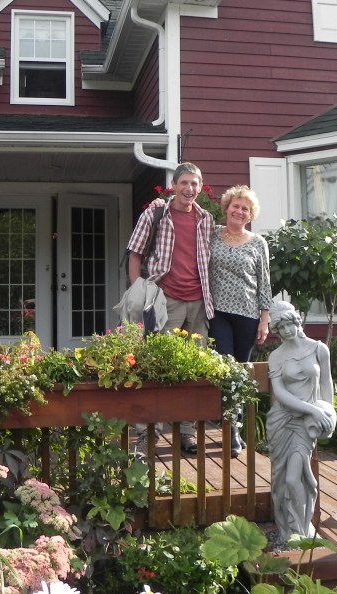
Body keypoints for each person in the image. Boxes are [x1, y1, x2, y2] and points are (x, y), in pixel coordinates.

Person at [126, 162, 214, 454]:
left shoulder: (206, 219)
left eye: (194, 183)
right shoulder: (155, 214)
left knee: (194, 369)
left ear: (200, 187)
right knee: (156, 366)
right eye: (184, 183)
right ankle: (147, 434)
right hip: (166, 300)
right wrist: (139, 291)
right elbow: (135, 254)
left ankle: (186, 432)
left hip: (199, 303)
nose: (189, 189)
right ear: (174, 186)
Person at [208, 185, 272, 456]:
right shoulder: (211, 234)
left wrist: (264, 319)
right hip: (218, 312)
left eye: (245, 208)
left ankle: (235, 424)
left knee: (241, 371)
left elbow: (264, 282)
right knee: (226, 368)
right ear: (227, 208)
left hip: (247, 314)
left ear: (250, 214)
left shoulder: (258, 243)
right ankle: (230, 429)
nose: (239, 211)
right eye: (235, 205)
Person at [266, 300, 336, 542]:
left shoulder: (319, 349)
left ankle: (302, 529)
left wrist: (328, 414)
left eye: (289, 324)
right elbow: (280, 394)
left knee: (293, 478)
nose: (287, 330)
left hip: (305, 424)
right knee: (281, 478)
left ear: (297, 322)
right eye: (280, 327)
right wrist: (313, 411)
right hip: (281, 420)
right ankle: (287, 530)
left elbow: (326, 385)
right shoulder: (276, 356)